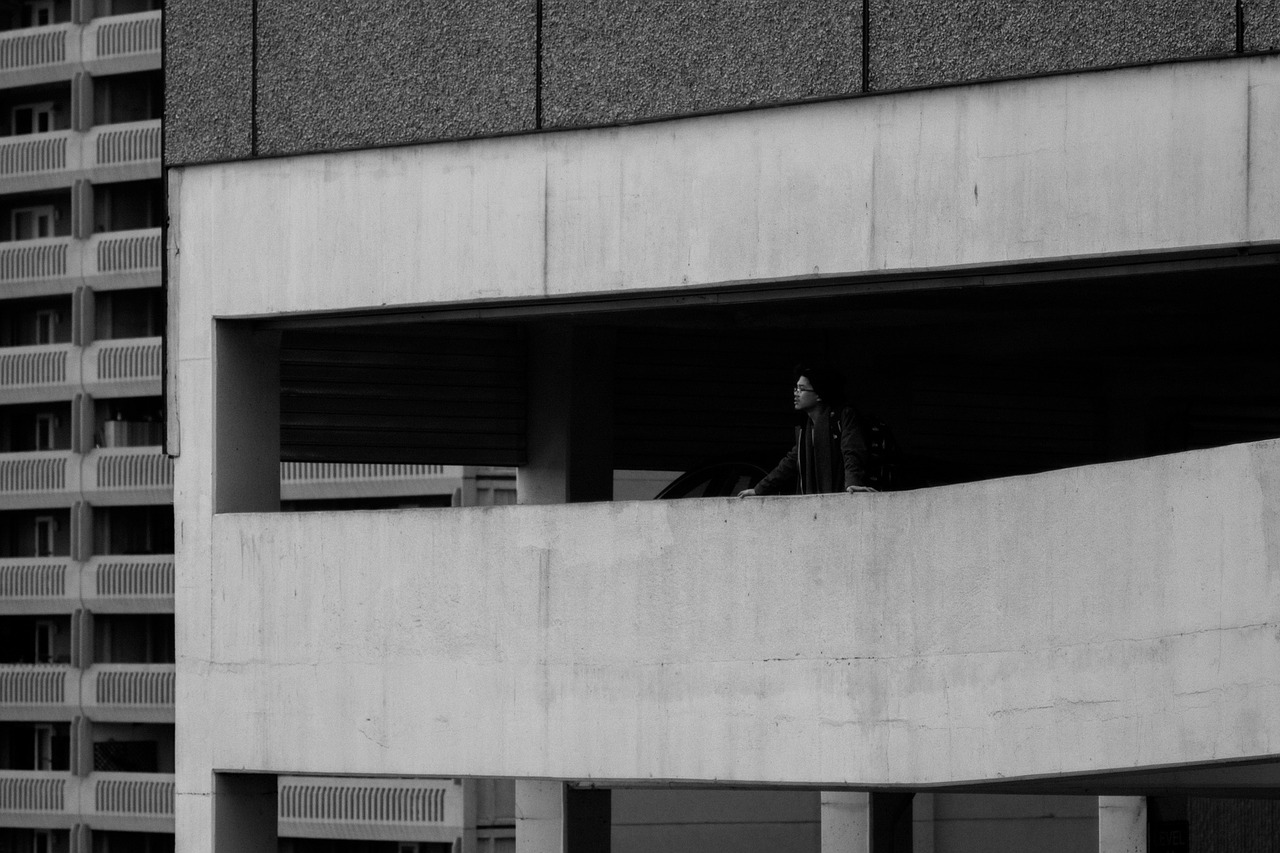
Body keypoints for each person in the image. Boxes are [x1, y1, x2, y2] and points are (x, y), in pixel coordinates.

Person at [738, 364, 876, 497]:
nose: (796, 393)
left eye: (802, 389)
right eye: (796, 389)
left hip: (841, 498)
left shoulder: (844, 416)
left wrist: (853, 483)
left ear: (819, 394)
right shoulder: (806, 428)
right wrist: (759, 490)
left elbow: (852, 451)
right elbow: (790, 462)